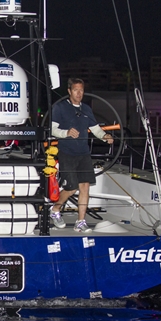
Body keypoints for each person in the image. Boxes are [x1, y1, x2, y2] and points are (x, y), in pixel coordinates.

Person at [50, 78, 113, 233]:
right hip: (67, 153)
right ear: (69, 91)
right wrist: (66, 132)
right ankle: (55, 209)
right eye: (76, 90)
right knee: (71, 187)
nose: (79, 93)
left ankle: (81, 221)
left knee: (85, 186)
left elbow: (96, 129)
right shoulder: (59, 107)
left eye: (81, 90)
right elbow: (51, 129)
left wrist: (105, 136)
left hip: (84, 153)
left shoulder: (86, 109)